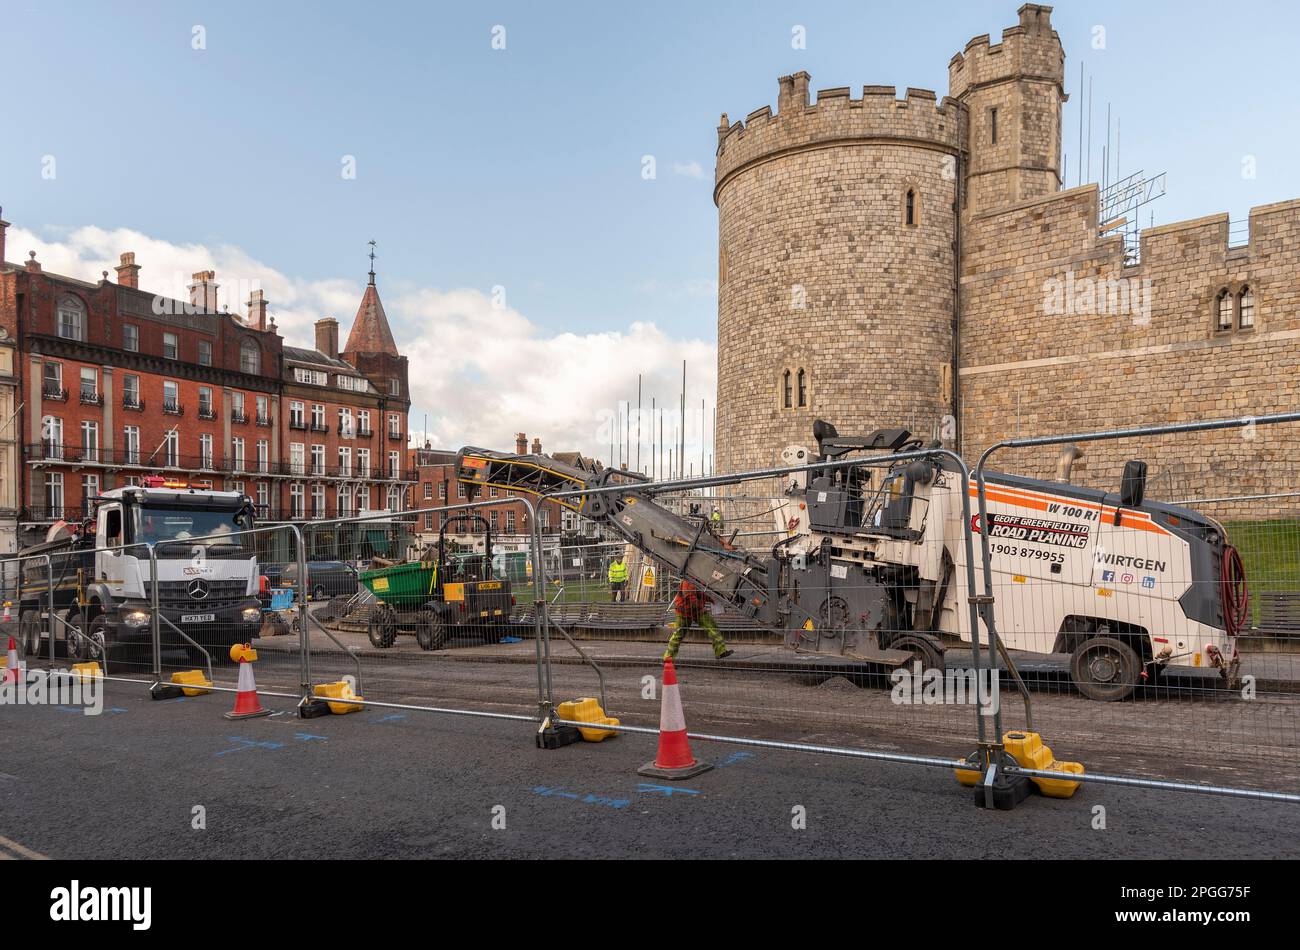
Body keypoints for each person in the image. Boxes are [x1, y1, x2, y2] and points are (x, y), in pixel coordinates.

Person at [663, 579, 732, 661]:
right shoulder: (688, 580)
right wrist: (701, 607)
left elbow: (699, 593)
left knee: (712, 627)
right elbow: (689, 596)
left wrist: (710, 599)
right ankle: (668, 659)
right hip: (685, 611)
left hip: (694, 610)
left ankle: (721, 651)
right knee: (678, 635)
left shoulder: (698, 579)